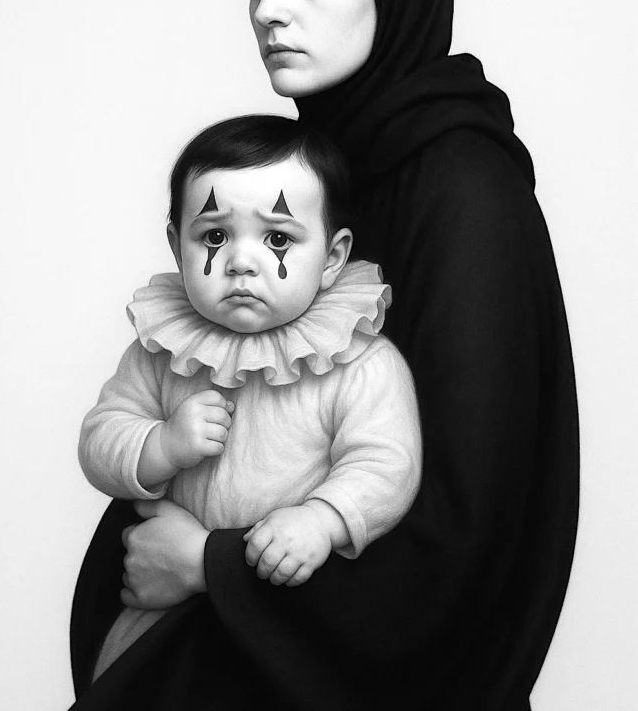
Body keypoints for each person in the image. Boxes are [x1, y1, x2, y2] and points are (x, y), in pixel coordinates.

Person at [70, 0, 579, 709]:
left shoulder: (464, 193)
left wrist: (211, 565)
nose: (269, 10)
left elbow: (463, 537)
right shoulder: (316, 169)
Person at [79, 114, 421, 680]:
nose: (241, 261)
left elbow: (387, 462)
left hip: (288, 614)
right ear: (176, 246)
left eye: (278, 238)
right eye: (214, 236)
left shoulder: (358, 360)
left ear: (333, 258)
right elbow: (100, 438)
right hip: (165, 611)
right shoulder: (162, 351)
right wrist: (161, 444)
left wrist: (322, 520)